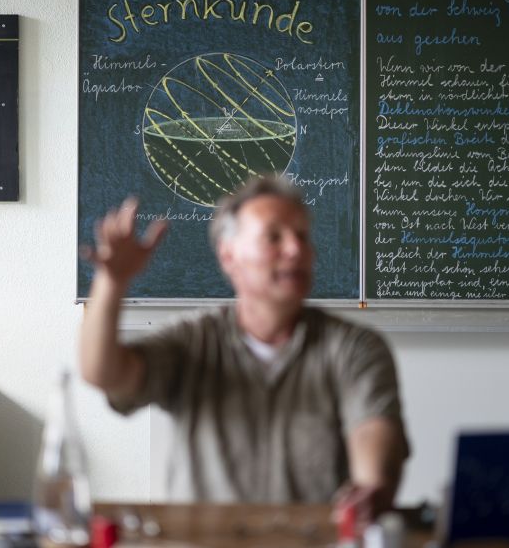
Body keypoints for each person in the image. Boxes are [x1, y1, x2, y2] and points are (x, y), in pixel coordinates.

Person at [79, 176, 408, 524]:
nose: (296, 250)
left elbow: (372, 431)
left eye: (303, 237)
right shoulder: (192, 342)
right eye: (274, 237)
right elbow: (102, 372)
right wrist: (111, 283)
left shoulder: (355, 348)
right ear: (229, 255)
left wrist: (372, 486)